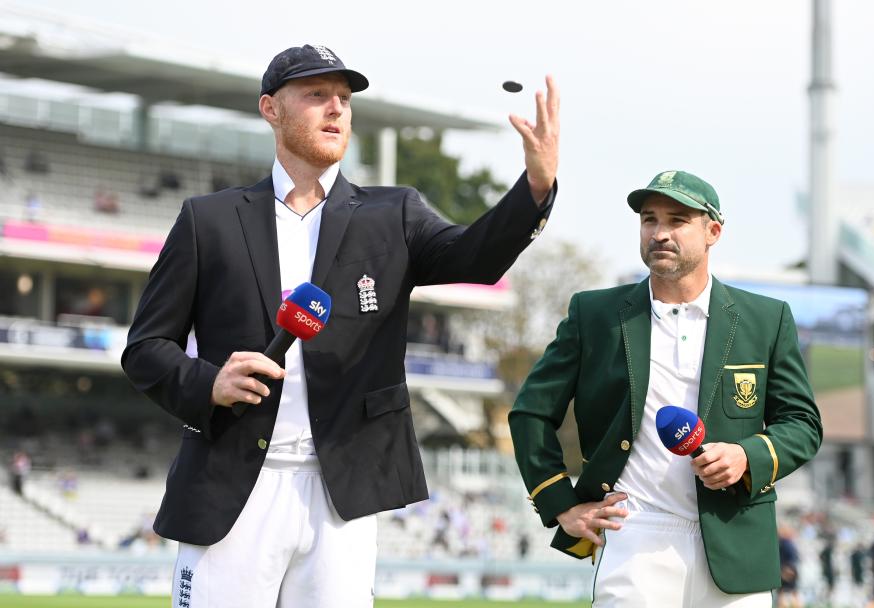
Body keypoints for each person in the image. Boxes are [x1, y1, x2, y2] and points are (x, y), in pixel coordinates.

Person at [121, 44, 558, 608]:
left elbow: (475, 257)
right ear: (270, 109)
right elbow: (146, 349)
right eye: (317, 96)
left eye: (345, 100)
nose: (336, 109)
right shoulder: (208, 220)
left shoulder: (394, 213)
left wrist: (536, 189)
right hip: (231, 485)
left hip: (343, 490)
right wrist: (208, 382)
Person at [509, 170, 822, 607]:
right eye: (649, 220)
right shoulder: (593, 313)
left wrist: (745, 455)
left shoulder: (767, 319)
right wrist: (561, 503)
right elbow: (530, 412)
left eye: (677, 220)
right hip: (634, 533)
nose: (659, 233)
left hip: (736, 538)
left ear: (713, 231)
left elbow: (803, 424)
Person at [777, 525, 801, 608]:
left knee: (786, 592)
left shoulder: (786, 543)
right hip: (787, 570)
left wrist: (787, 569)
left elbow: (792, 558)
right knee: (787, 592)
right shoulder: (785, 543)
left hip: (787, 570)